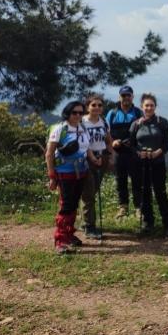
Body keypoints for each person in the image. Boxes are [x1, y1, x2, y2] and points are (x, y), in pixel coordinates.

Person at [45, 100, 91, 254]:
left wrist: (94, 159)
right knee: (66, 205)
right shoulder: (60, 129)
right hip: (65, 172)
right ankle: (60, 240)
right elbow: (49, 154)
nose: (78, 115)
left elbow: (87, 148)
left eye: (80, 112)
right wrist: (52, 176)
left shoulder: (82, 128)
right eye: (74, 112)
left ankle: (69, 234)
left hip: (81, 171)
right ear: (68, 113)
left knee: (74, 204)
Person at [128, 93, 168, 237]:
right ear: (141, 107)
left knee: (161, 193)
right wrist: (138, 153)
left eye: (151, 105)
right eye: (146, 105)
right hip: (141, 164)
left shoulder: (162, 122)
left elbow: (166, 144)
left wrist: (157, 152)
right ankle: (147, 224)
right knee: (145, 193)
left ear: (155, 107)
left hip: (157, 163)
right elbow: (131, 145)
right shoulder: (136, 124)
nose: (149, 108)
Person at [106, 85, 143, 218]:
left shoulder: (138, 113)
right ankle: (123, 207)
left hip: (134, 152)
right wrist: (112, 142)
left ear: (132, 97)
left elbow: (143, 131)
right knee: (120, 180)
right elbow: (106, 132)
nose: (126, 97)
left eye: (128, 95)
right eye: (123, 95)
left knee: (137, 180)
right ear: (119, 97)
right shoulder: (112, 113)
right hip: (118, 152)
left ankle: (138, 207)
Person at [80, 94, 114, 240]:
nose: (97, 107)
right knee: (88, 193)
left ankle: (85, 222)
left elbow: (108, 140)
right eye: (93, 105)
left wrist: (111, 156)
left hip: (102, 158)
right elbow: (82, 143)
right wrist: (93, 158)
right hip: (87, 160)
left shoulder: (104, 121)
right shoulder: (81, 122)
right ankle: (89, 226)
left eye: (100, 105)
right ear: (87, 107)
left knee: (93, 191)